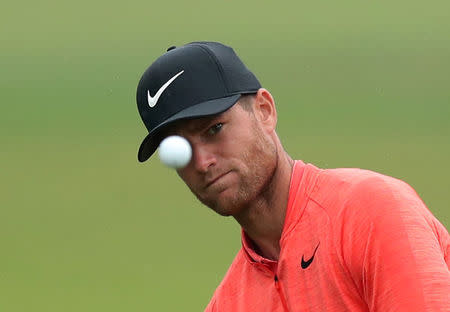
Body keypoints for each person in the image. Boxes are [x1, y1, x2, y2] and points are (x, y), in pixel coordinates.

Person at [135, 42, 450, 311]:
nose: (202, 162)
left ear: (264, 110)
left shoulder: (371, 212)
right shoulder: (229, 303)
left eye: (214, 129)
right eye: (179, 150)